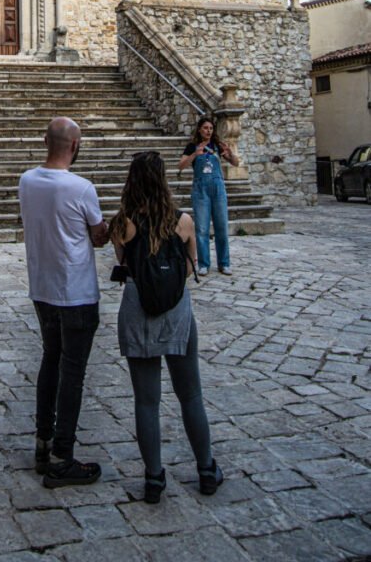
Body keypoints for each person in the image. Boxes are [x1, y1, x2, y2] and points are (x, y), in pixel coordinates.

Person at [109, 150, 223, 503]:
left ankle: (154, 479)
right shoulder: (183, 221)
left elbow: (123, 262)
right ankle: (206, 470)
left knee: (146, 401)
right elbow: (191, 266)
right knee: (190, 394)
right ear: (162, 181)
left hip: (137, 307)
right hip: (177, 311)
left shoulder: (121, 223)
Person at [19, 116, 109, 488]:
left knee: (50, 360)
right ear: (75, 146)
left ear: (45, 141)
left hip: (42, 287)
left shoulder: (26, 181)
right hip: (76, 291)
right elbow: (99, 237)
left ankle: (43, 442)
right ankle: (62, 455)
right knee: (73, 372)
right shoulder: (82, 187)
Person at [179, 115, 239, 276]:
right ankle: (204, 264)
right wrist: (194, 155)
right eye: (205, 128)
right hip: (200, 190)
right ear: (199, 129)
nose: (208, 131)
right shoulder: (192, 146)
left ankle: (224, 263)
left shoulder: (218, 146)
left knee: (221, 226)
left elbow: (235, 163)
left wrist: (230, 153)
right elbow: (181, 165)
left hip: (218, 189)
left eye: (211, 128)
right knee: (202, 228)